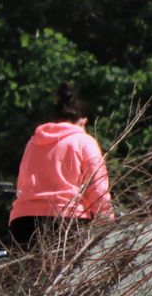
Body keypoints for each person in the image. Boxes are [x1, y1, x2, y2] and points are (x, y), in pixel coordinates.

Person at [9, 83, 114, 248]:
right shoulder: (84, 141)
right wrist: (107, 223)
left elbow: (22, 184)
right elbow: (98, 189)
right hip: (66, 221)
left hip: (23, 222)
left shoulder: (33, 142)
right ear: (83, 121)